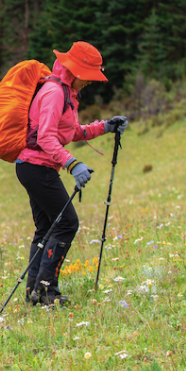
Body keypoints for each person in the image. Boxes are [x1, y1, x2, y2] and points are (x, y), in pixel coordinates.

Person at [15, 41, 127, 307]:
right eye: (88, 77)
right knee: (66, 224)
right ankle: (45, 292)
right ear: (75, 71)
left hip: (32, 167)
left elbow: (71, 132)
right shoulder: (55, 92)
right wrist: (72, 164)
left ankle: (35, 292)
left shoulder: (65, 92)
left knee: (46, 228)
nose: (90, 83)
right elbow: (45, 138)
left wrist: (106, 126)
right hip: (37, 168)